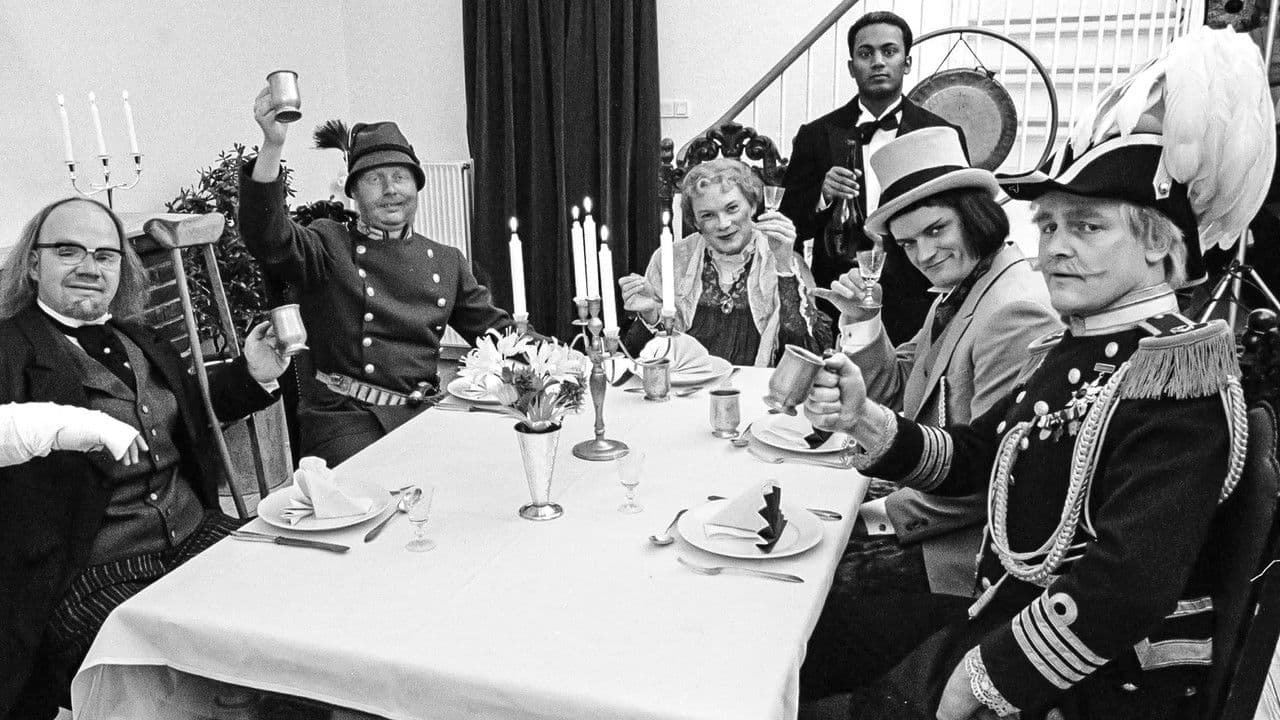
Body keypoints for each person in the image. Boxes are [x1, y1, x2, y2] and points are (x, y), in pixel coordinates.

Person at [798, 26, 1272, 719]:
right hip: (1011, 613)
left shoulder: (1177, 375)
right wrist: (867, 421)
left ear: (1158, 246)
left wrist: (979, 679)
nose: (1056, 249)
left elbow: (1127, 584)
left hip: (1100, 682)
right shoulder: (1069, 348)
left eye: (1088, 227)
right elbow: (978, 457)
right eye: (1049, 227)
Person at [0, 197, 288, 719]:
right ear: (34, 263)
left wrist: (252, 374)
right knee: (177, 683)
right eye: (68, 251)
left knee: (293, 606)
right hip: (89, 571)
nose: (89, 267)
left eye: (105, 255)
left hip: (192, 532)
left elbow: (186, 416)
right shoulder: (8, 347)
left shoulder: (141, 336)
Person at [811, 127, 1060, 600]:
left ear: (976, 216)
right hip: (926, 499)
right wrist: (863, 320)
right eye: (907, 243)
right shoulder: (966, 286)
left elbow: (988, 478)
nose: (924, 255)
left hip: (965, 554)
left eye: (936, 230)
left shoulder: (1014, 311)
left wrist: (872, 517)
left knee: (813, 585)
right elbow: (895, 389)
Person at [240, 86, 512, 466]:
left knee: (490, 465)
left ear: (416, 185)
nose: (390, 190)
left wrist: (564, 358)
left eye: (400, 177)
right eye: (374, 180)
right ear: (354, 192)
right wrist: (273, 145)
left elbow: (497, 335)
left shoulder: (446, 261)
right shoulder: (328, 243)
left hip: (422, 413)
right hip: (348, 419)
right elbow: (267, 237)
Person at [781, 10, 966, 347]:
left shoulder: (942, 133)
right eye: (866, 53)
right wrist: (822, 195)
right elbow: (790, 224)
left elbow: (963, 219)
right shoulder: (816, 135)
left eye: (889, 51)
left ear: (906, 63)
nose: (878, 62)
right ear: (852, 67)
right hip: (839, 296)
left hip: (920, 295)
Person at [619, 158, 832, 366]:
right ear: (695, 222)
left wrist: (784, 267)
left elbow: (807, 355)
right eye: (708, 215)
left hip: (755, 387)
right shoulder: (670, 260)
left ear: (753, 206)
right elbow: (641, 358)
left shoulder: (783, 258)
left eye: (732, 208)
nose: (723, 224)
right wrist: (649, 315)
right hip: (688, 387)